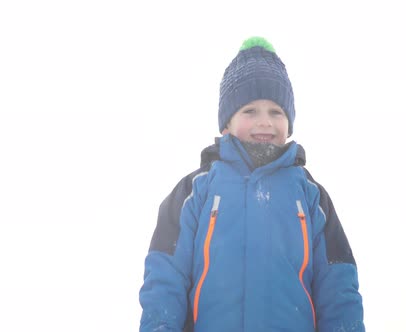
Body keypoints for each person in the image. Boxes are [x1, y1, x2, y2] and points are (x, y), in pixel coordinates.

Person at [139, 36, 364, 332]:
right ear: (226, 123)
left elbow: (337, 285)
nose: (264, 122)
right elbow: (165, 276)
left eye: (276, 112)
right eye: (250, 111)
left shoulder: (311, 198)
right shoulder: (195, 191)